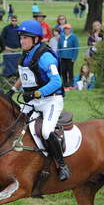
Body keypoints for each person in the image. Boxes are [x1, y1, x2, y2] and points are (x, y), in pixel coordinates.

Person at [8, 19, 71, 181]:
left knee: (45, 131)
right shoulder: (26, 55)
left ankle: (62, 165)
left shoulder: (45, 57)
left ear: (36, 39)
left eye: (26, 38)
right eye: (21, 38)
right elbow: (25, 76)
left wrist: (36, 94)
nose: (22, 41)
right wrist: (12, 90)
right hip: (33, 101)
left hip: (51, 101)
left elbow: (57, 82)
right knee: (15, 123)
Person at [57, 23, 79, 88]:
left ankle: (71, 83)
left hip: (70, 57)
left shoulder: (73, 37)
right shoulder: (62, 36)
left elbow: (76, 48)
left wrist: (74, 57)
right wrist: (59, 56)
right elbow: (59, 47)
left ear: (70, 29)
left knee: (70, 70)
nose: (67, 30)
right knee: (63, 70)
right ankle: (65, 83)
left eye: (68, 29)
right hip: (62, 57)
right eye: (65, 29)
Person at [1, 15, 21, 79]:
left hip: (17, 50)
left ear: (17, 21)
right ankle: (8, 77)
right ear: (10, 20)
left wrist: (20, 47)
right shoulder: (6, 28)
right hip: (8, 50)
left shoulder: (19, 28)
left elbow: (21, 38)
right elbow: (2, 39)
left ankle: (15, 78)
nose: (14, 22)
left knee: (16, 65)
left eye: (15, 21)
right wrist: (4, 47)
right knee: (8, 65)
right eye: (13, 20)